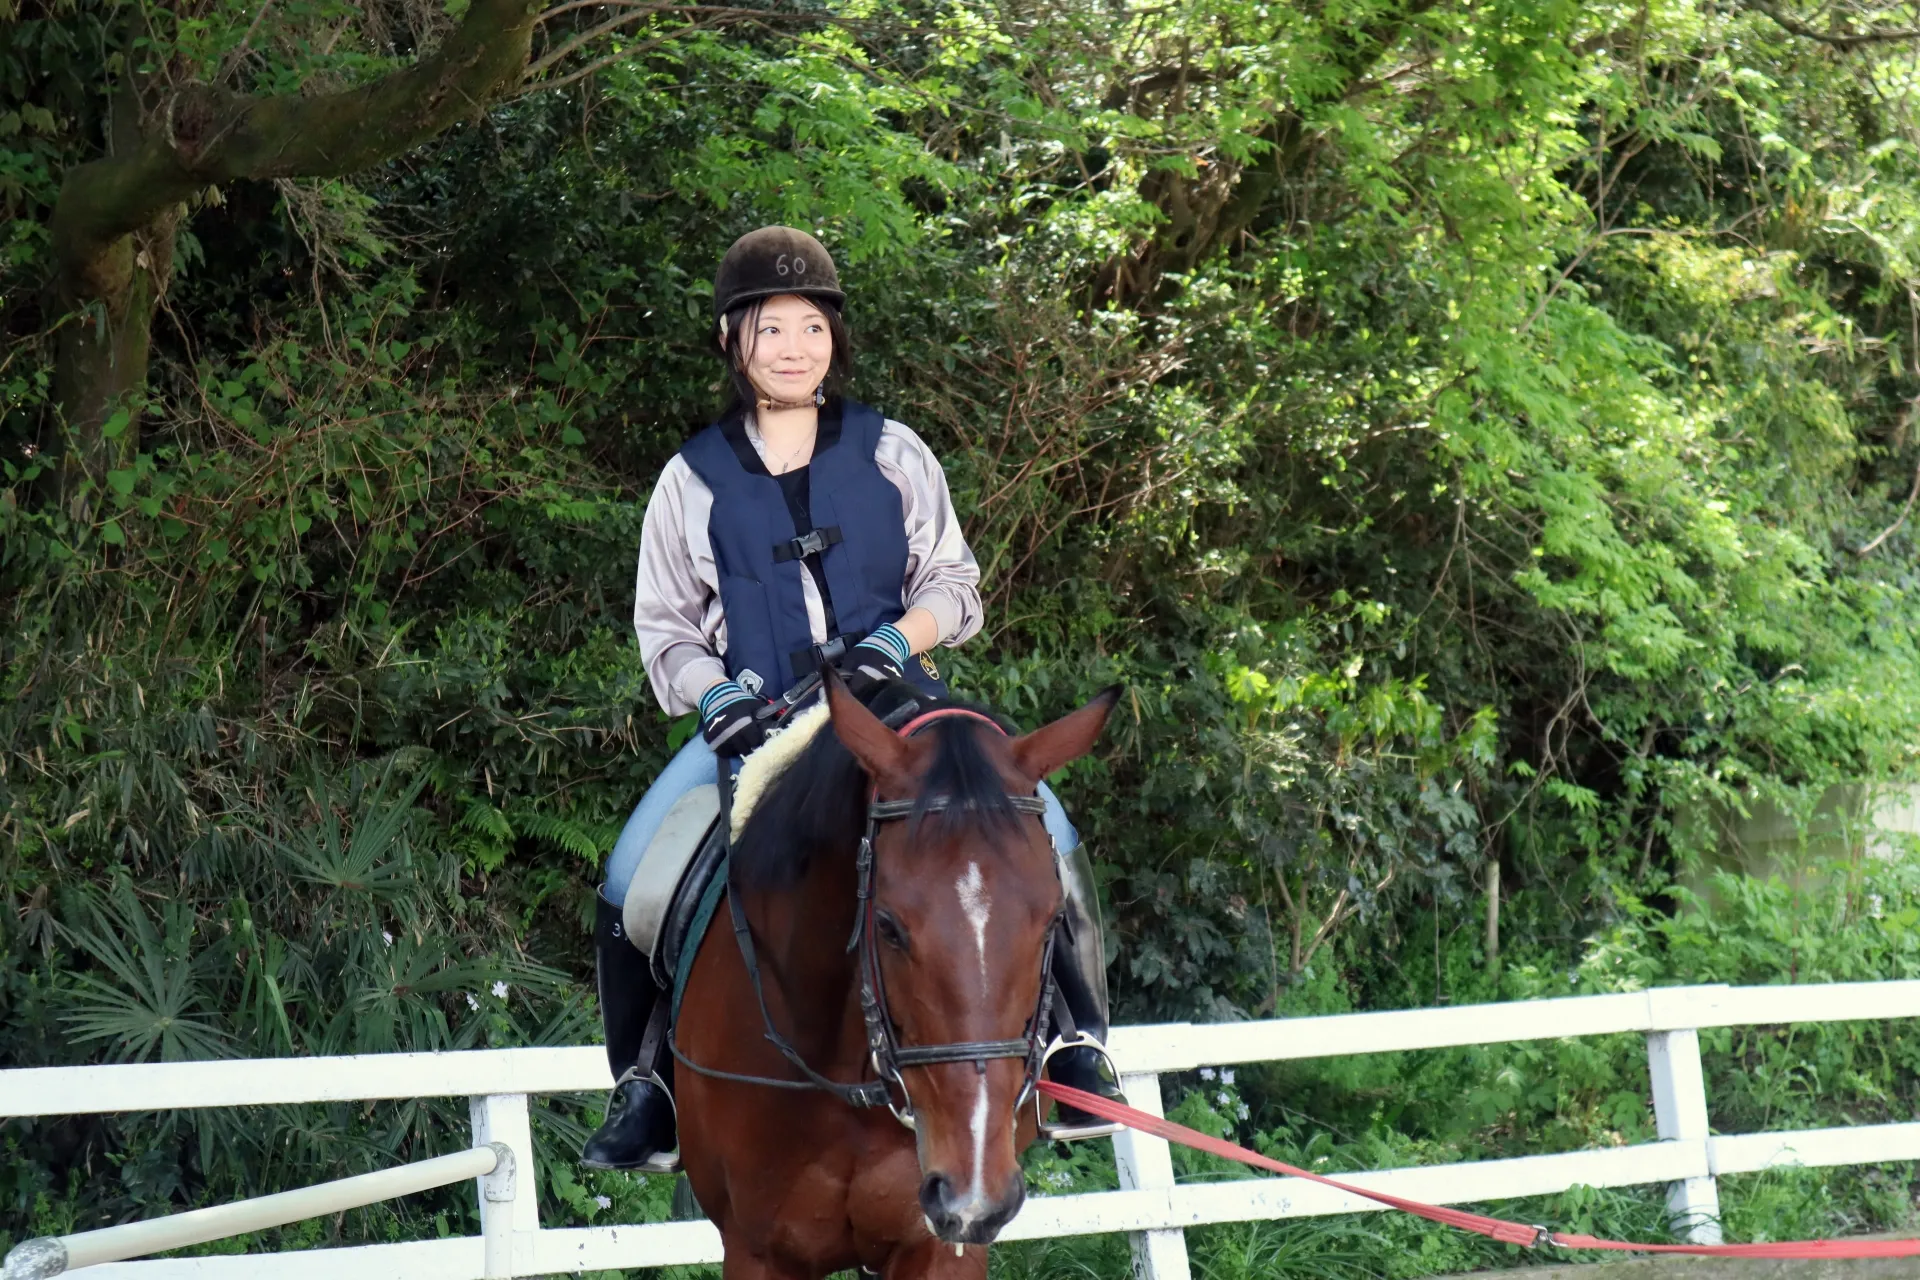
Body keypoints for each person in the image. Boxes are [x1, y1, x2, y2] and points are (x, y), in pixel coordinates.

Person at [580, 226, 1122, 1172]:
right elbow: (665, 625)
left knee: (1052, 836)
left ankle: (1079, 1048)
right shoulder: (689, 479)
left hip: (899, 710)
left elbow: (954, 582)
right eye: (772, 328)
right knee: (635, 877)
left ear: (834, 337)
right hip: (758, 720)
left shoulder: (892, 450)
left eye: (812, 327)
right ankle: (650, 1086)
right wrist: (712, 697)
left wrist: (895, 640)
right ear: (730, 341)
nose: (795, 348)